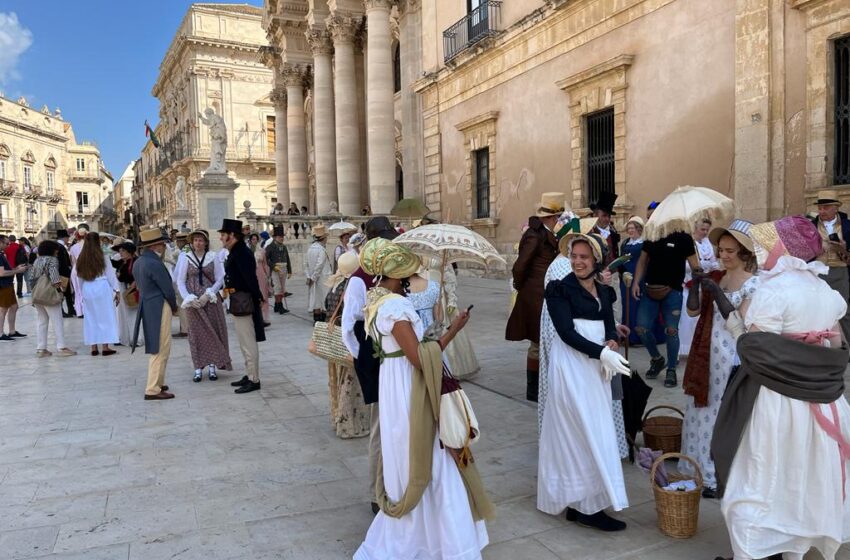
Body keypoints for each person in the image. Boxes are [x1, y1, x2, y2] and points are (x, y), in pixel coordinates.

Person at [711, 215, 850, 560]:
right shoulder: (826, 291)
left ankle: (757, 547)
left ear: (784, 249)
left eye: (767, 244)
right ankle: (794, 550)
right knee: (804, 477)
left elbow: (755, 352)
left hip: (778, 401)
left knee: (760, 479)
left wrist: (735, 326)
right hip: (824, 403)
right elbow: (835, 348)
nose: (761, 249)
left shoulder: (773, 291)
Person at [353, 241, 492, 560]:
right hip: (410, 387)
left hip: (394, 382)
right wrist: (453, 330)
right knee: (429, 454)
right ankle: (436, 541)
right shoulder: (396, 308)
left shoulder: (377, 301)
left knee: (407, 453)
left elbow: (403, 348)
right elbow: (417, 357)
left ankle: (422, 534)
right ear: (394, 274)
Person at [537, 229, 632, 532]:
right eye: (574, 256)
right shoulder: (558, 289)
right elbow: (567, 333)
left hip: (596, 370)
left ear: (596, 260)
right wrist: (601, 354)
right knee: (581, 431)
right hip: (573, 366)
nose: (577, 262)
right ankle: (587, 507)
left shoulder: (603, 291)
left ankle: (582, 505)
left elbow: (607, 327)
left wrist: (613, 341)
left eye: (583, 257)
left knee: (594, 428)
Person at [679, 220, 757, 499]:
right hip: (706, 355)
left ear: (745, 253)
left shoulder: (754, 284)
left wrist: (715, 292)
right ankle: (698, 471)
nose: (723, 255)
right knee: (700, 411)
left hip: (732, 357)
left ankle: (716, 476)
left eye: (730, 251)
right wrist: (695, 286)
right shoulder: (716, 276)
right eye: (721, 249)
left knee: (720, 417)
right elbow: (692, 313)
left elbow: (740, 324)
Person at [342, 219, 400, 515]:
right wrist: (362, 358)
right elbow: (349, 325)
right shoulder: (358, 279)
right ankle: (377, 493)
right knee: (380, 426)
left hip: (396, 357)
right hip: (374, 357)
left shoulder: (396, 273)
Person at [506, 192, 563, 402]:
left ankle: (541, 385)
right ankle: (534, 389)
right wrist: (521, 287)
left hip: (544, 293)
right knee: (538, 341)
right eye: (556, 216)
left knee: (543, 339)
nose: (557, 220)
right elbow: (521, 265)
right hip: (536, 294)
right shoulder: (534, 235)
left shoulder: (545, 233)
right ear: (550, 217)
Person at [631, 227, 701, 388]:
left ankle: (671, 369)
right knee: (641, 328)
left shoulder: (684, 237)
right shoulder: (652, 234)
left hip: (673, 292)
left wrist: (699, 279)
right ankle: (657, 358)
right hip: (650, 290)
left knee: (672, 330)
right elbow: (642, 260)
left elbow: (695, 264)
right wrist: (636, 282)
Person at [323, 252, 370, 439]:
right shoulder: (350, 286)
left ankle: (338, 418)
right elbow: (356, 315)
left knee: (337, 382)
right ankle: (350, 425)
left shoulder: (335, 284)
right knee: (350, 386)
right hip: (347, 343)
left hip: (334, 341)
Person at [175, 229, 232, 383]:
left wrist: (209, 294)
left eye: (201, 240)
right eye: (195, 240)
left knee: (213, 330)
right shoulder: (186, 257)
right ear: (192, 242)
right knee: (196, 334)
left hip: (210, 300)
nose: (198, 243)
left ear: (206, 242)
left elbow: (220, 278)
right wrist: (188, 297)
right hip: (193, 302)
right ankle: (198, 367)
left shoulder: (213, 257)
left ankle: (213, 366)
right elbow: (180, 280)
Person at [220, 219, 266, 394]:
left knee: (248, 342)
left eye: (223, 235)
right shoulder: (236, 251)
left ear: (232, 236)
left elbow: (250, 279)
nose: (221, 238)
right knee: (243, 341)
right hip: (237, 300)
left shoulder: (241, 253)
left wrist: (258, 297)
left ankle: (254, 378)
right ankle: (249, 373)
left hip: (244, 301)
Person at [133, 228, 178, 401]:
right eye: (163, 243)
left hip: (148, 304)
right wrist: (174, 306)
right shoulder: (154, 263)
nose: (165, 246)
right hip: (159, 305)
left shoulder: (140, 262)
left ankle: (159, 381)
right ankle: (152, 388)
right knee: (160, 347)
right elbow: (167, 289)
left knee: (158, 344)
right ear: (155, 246)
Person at [811, 189, 850, 343]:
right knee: (816, 308)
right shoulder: (811, 226)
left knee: (844, 310)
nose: (822, 211)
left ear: (836, 208)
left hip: (839, 271)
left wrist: (843, 248)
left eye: (826, 207)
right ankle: (819, 344)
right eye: (820, 208)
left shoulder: (847, 226)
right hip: (817, 272)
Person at [679, 218, 720, 358]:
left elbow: (714, 263)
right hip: (689, 285)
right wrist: (696, 267)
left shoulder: (707, 243)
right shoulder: (688, 243)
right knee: (687, 318)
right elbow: (683, 265)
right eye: (703, 229)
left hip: (704, 284)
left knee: (700, 319)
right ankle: (685, 350)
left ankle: (698, 348)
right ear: (695, 228)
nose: (705, 232)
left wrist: (714, 270)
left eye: (707, 230)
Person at [76, 232, 120, 356]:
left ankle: (93, 347)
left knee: (91, 318)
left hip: (88, 287)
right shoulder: (103, 256)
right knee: (105, 317)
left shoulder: (81, 258)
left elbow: (79, 278)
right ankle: (105, 347)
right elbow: (110, 274)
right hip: (102, 287)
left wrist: (81, 292)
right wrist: (117, 290)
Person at [30, 240, 76, 358]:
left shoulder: (37, 260)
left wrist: (34, 292)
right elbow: (54, 277)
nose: (57, 251)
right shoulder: (52, 260)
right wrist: (60, 291)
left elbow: (32, 278)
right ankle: (61, 347)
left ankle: (41, 349)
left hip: (38, 294)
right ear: (51, 250)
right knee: (57, 320)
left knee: (42, 321)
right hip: (49, 294)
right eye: (56, 249)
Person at [589, 192, 622, 322]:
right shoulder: (590, 232)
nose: (606, 219)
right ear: (596, 215)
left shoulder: (613, 232)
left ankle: (617, 333)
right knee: (600, 306)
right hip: (597, 276)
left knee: (616, 306)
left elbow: (615, 253)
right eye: (603, 215)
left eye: (608, 216)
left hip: (613, 275)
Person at [0, 235, 28, 341]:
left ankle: (12, 331)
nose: (8, 245)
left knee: (14, 307)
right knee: (3, 309)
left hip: (8, 284)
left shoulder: (2, 254)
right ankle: (0, 333)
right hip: (3, 285)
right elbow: (1, 273)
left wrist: (16, 268)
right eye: (6, 243)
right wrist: (17, 271)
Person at [114, 241, 141, 348]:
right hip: (123, 291)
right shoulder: (123, 262)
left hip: (131, 291)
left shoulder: (135, 262)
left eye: (123, 251)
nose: (120, 253)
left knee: (133, 316)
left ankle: (136, 339)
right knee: (123, 315)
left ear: (129, 252)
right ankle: (124, 337)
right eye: (120, 251)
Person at [305, 224, 332, 323]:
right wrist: (313, 277)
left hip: (314, 277)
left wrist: (309, 276)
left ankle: (316, 318)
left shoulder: (310, 248)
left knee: (316, 297)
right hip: (322, 277)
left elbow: (306, 264)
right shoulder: (321, 249)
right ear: (323, 238)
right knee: (324, 297)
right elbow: (319, 265)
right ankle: (323, 317)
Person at [265, 225, 292, 315]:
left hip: (284, 268)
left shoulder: (283, 246)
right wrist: (273, 266)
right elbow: (266, 259)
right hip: (276, 269)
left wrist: (289, 270)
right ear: (275, 237)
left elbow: (287, 258)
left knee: (282, 288)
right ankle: (280, 306)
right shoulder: (270, 247)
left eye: (282, 236)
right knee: (277, 288)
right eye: (280, 237)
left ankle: (276, 305)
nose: (282, 238)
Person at [55, 229, 75, 317]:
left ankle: (71, 309)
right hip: (62, 274)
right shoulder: (60, 246)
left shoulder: (60, 246)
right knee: (62, 293)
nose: (68, 239)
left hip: (63, 273)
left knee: (67, 293)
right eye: (67, 238)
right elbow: (61, 262)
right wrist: (67, 273)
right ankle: (61, 311)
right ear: (64, 238)